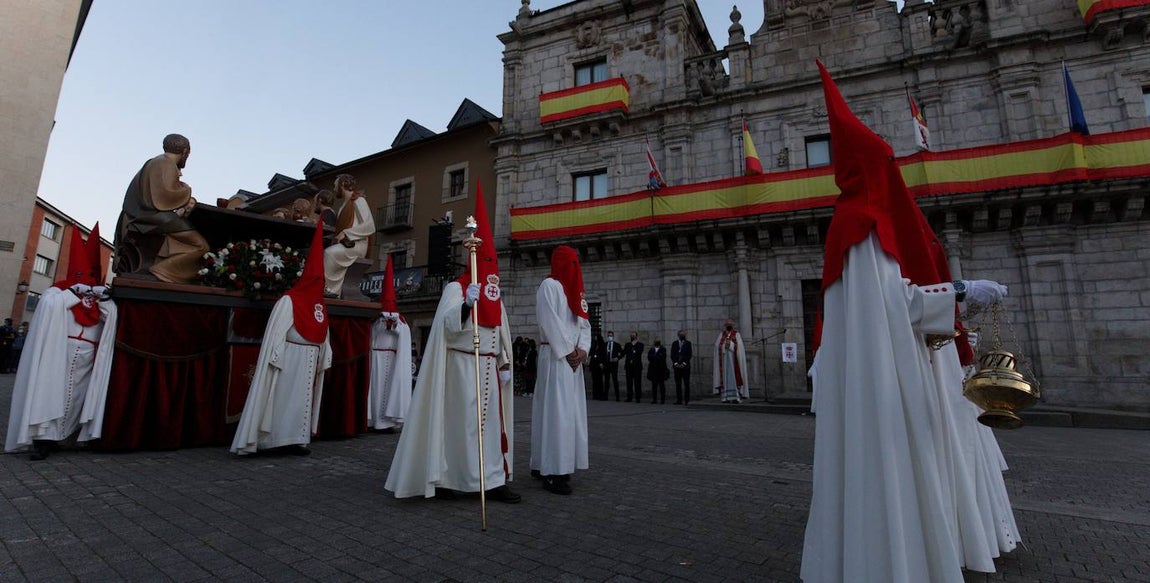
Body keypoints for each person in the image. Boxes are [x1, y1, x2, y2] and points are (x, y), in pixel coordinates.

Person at [801, 62, 1012, 583]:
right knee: (891, 471)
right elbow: (897, 307)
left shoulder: (855, 222)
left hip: (884, 379)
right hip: (885, 389)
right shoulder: (862, 223)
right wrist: (961, 292)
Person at [385, 184, 519, 503]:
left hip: (488, 366)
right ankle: (455, 478)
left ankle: (493, 479)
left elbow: (501, 331)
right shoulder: (457, 290)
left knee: (489, 427)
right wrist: (464, 307)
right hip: (461, 366)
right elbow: (445, 326)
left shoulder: (493, 293)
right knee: (463, 426)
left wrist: (504, 362)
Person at [6, 225, 117, 460]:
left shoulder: (99, 295)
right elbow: (48, 308)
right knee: (50, 393)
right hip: (58, 353)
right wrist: (71, 293)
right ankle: (44, 439)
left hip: (87, 356)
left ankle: (67, 436)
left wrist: (104, 299)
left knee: (77, 398)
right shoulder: (56, 292)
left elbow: (110, 316)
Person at [231, 222, 332, 456]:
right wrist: (276, 355)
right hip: (288, 359)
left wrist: (325, 353)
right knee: (280, 401)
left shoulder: (320, 305)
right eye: (316, 280)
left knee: (301, 402)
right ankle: (271, 440)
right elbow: (277, 333)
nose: (320, 285)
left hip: (308, 360)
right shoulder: (289, 301)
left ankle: (296, 439)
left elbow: (324, 331)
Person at [531, 245, 592, 495]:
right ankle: (553, 471)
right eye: (570, 263)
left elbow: (585, 325)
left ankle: (551, 462)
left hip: (573, 362)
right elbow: (549, 320)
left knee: (569, 415)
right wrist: (568, 351)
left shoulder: (578, 294)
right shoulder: (550, 286)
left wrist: (583, 351)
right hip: (556, 358)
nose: (574, 269)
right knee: (556, 415)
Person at [115, 133, 209, 283]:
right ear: (185, 151)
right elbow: (165, 195)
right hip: (149, 218)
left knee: (186, 243)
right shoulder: (165, 164)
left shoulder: (155, 162)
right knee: (201, 246)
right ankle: (163, 272)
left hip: (145, 216)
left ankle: (163, 268)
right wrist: (186, 192)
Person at [368, 255, 412, 433]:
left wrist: (393, 324)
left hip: (393, 359)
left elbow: (402, 334)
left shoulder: (400, 321)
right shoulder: (375, 320)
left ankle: (388, 422)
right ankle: (373, 420)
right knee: (376, 392)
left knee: (389, 391)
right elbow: (372, 334)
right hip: (376, 358)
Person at [323, 174, 376, 298]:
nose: (334, 189)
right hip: (346, 244)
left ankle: (331, 290)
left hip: (357, 244)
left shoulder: (359, 200)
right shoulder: (342, 207)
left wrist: (347, 233)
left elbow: (370, 226)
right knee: (326, 252)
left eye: (335, 185)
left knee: (329, 253)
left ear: (342, 185)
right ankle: (330, 287)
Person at [713, 319, 748, 403]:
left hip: (734, 361)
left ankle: (736, 397)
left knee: (734, 377)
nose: (729, 325)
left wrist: (731, 345)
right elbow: (717, 346)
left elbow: (739, 347)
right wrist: (724, 345)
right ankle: (725, 397)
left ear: (732, 325)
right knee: (725, 378)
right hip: (724, 362)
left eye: (730, 324)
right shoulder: (722, 335)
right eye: (727, 324)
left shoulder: (737, 334)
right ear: (725, 325)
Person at [671, 330, 692, 405]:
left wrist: (684, 363)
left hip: (685, 367)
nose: (682, 336)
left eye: (683, 334)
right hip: (677, 367)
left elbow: (689, 355)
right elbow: (672, 355)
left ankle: (687, 400)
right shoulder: (675, 343)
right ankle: (679, 400)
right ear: (678, 335)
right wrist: (676, 363)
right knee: (678, 384)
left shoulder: (688, 343)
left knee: (686, 384)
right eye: (681, 335)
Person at [623, 332, 644, 403]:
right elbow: (624, 352)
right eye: (631, 335)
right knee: (629, 382)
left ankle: (638, 397)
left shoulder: (640, 345)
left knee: (637, 382)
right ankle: (629, 397)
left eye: (633, 335)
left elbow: (638, 352)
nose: (632, 336)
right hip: (629, 366)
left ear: (636, 336)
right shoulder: (627, 345)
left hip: (637, 366)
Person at [647, 339, 669, 404]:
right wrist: (656, 357)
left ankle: (662, 399)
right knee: (654, 386)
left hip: (661, 370)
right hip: (653, 370)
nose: (656, 342)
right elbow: (649, 357)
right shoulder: (651, 349)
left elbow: (662, 357)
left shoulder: (663, 349)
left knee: (662, 385)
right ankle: (654, 399)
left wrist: (654, 357)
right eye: (655, 341)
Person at [603, 330, 623, 401]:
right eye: (608, 336)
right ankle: (605, 397)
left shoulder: (617, 345)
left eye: (611, 336)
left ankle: (617, 397)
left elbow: (622, 353)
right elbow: (602, 354)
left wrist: (617, 358)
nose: (609, 337)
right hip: (606, 365)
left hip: (614, 365)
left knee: (615, 381)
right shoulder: (604, 345)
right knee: (606, 381)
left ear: (613, 336)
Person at [588, 333, 606, 400]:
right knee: (594, 381)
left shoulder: (602, 346)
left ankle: (600, 394)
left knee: (599, 381)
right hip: (594, 365)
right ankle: (595, 395)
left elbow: (603, 355)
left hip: (599, 365)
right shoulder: (594, 346)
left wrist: (602, 362)